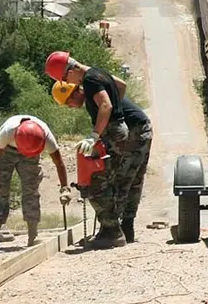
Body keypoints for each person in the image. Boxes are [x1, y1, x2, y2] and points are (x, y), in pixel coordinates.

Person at [45, 51, 129, 248]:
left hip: (112, 133)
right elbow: (120, 87)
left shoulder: (90, 80)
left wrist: (95, 135)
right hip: (116, 129)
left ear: (71, 70)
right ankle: (108, 229)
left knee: (98, 184)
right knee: (107, 181)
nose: (68, 82)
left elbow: (105, 105)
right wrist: (117, 113)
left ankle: (113, 233)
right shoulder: (98, 73)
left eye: (65, 78)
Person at [53, 82, 152, 243]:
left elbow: (105, 128)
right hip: (140, 129)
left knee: (122, 180)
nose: (70, 107)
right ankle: (125, 228)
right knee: (132, 180)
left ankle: (113, 230)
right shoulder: (96, 97)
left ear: (74, 93)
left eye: (68, 102)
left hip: (135, 131)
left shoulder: (95, 100)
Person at [0, 114, 72, 250]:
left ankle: (33, 235)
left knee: (31, 190)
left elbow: (59, 163)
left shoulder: (45, 135)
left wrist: (65, 188)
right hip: (6, 151)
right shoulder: (7, 132)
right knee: (0, 192)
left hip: (32, 153)